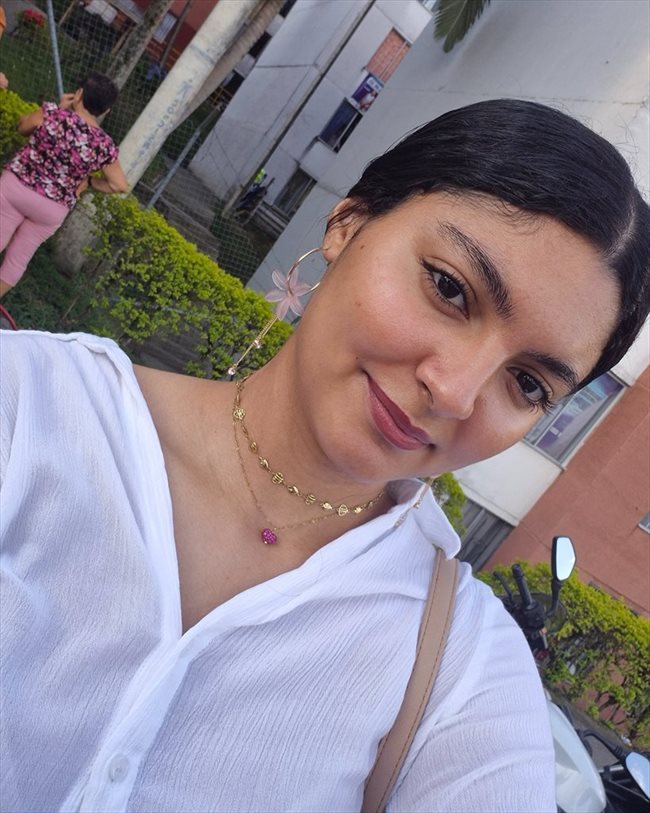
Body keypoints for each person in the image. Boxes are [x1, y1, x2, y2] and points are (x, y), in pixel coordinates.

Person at [1, 99, 648, 812]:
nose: (456, 391)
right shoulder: (31, 407)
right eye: (449, 288)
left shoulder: (462, 670)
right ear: (348, 222)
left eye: (527, 383)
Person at [0, 72, 128, 298]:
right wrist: (89, 181)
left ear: (78, 94)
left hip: (16, 188)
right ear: (106, 110)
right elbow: (118, 185)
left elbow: (23, 127)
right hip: (52, 209)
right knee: (18, 259)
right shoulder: (105, 145)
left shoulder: (52, 113)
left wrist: (59, 108)